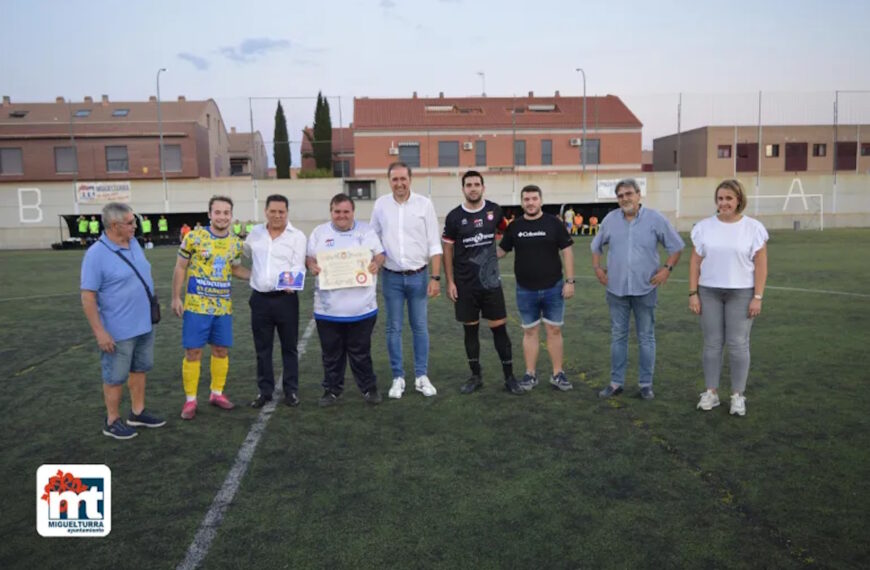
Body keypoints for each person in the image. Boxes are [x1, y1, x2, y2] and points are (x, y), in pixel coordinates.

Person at [592, 178, 685, 400]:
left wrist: (667, 269)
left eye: (629, 194)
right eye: (620, 196)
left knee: (646, 337)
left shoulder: (655, 219)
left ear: (638, 195)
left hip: (645, 288)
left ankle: (645, 384)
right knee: (618, 336)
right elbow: (596, 246)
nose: (625, 199)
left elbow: (676, 246)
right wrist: (597, 268)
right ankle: (616, 383)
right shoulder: (610, 219)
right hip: (616, 289)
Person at [81, 202, 165, 440]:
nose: (134, 226)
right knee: (115, 376)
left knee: (140, 369)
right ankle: (112, 420)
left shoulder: (134, 243)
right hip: (118, 330)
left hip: (144, 324)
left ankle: (137, 412)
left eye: (134, 221)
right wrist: (100, 332)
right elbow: (88, 296)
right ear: (114, 225)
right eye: (129, 223)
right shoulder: (96, 255)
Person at [689, 179, 768, 417]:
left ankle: (737, 395)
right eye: (720, 198)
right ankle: (711, 393)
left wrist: (757, 296)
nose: (724, 203)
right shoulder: (704, 227)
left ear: (739, 200)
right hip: (709, 292)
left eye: (729, 198)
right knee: (712, 344)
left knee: (738, 344)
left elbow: (761, 265)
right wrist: (693, 293)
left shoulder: (753, 228)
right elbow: (695, 262)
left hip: (741, 293)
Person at [443, 170, 523, 396]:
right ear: (463, 189)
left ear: (483, 187)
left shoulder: (494, 210)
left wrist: (502, 250)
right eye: (469, 185)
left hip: (490, 283)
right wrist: (450, 282)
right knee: (471, 331)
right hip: (465, 284)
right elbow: (447, 248)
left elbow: (509, 231)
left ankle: (509, 377)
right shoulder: (454, 217)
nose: (473, 188)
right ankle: (475, 376)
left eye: (477, 184)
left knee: (499, 329)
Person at [171, 196, 250, 420]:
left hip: (223, 308)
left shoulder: (235, 243)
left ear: (231, 216)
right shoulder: (194, 237)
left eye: (226, 213)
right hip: (197, 307)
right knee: (193, 352)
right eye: (218, 212)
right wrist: (176, 297)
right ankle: (190, 400)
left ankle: (217, 393)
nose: (222, 217)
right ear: (209, 214)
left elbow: (235, 269)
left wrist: (259, 277)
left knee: (221, 350)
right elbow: (180, 267)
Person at [369, 161, 442, 399]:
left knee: (419, 327)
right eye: (395, 179)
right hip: (391, 278)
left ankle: (421, 376)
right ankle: (397, 377)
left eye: (403, 179)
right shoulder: (381, 205)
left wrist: (435, 277)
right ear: (389, 181)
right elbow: (372, 238)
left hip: (419, 276)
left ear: (410, 179)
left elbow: (434, 243)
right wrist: (375, 259)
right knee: (393, 328)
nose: (399, 183)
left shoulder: (424, 204)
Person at [307, 194, 385, 407]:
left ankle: (369, 388)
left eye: (346, 211)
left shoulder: (366, 231)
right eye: (337, 211)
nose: (341, 215)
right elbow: (310, 256)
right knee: (331, 354)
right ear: (331, 212)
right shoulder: (319, 232)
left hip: (362, 307)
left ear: (353, 212)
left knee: (361, 353)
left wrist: (376, 263)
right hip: (327, 309)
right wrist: (311, 265)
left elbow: (380, 254)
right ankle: (332, 390)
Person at [498, 185, 575, 392]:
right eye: (526, 199)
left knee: (554, 330)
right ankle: (530, 374)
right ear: (522, 202)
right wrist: (478, 247)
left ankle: (557, 374)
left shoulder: (554, 223)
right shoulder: (515, 226)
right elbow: (501, 251)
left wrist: (570, 281)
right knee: (530, 331)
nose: (530, 203)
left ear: (541, 200)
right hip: (525, 289)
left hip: (554, 287)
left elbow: (567, 251)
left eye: (534, 198)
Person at [245, 195, 307, 408]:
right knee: (262, 348)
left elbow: (298, 266)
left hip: (285, 299)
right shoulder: (255, 233)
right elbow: (243, 253)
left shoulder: (297, 236)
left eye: (281, 211)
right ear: (266, 211)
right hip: (260, 299)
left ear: (287, 212)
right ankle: (265, 391)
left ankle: (291, 390)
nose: (277, 215)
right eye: (273, 211)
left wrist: (292, 282)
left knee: (289, 347)